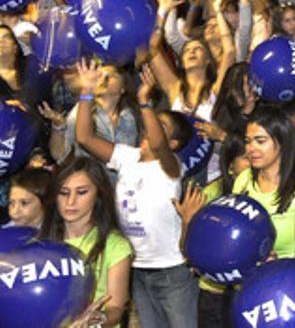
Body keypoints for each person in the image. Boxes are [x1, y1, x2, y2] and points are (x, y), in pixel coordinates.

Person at [73, 61, 197, 328]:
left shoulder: (171, 165)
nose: (147, 125)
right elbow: (84, 137)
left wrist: (145, 102)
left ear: (173, 143)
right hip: (138, 268)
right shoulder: (127, 157)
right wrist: (86, 92)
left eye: (160, 125)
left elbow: (159, 145)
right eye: (149, 121)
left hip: (172, 271)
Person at [40, 157, 132, 327]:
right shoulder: (40, 244)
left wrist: (96, 320)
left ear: (98, 194)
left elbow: (116, 308)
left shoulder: (114, 245)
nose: (71, 201)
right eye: (64, 192)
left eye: (81, 192)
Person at [232, 104, 295, 259]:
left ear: (282, 142)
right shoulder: (243, 179)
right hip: (245, 279)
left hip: (284, 280)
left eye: (260, 141)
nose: (251, 148)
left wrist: (274, 268)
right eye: (248, 141)